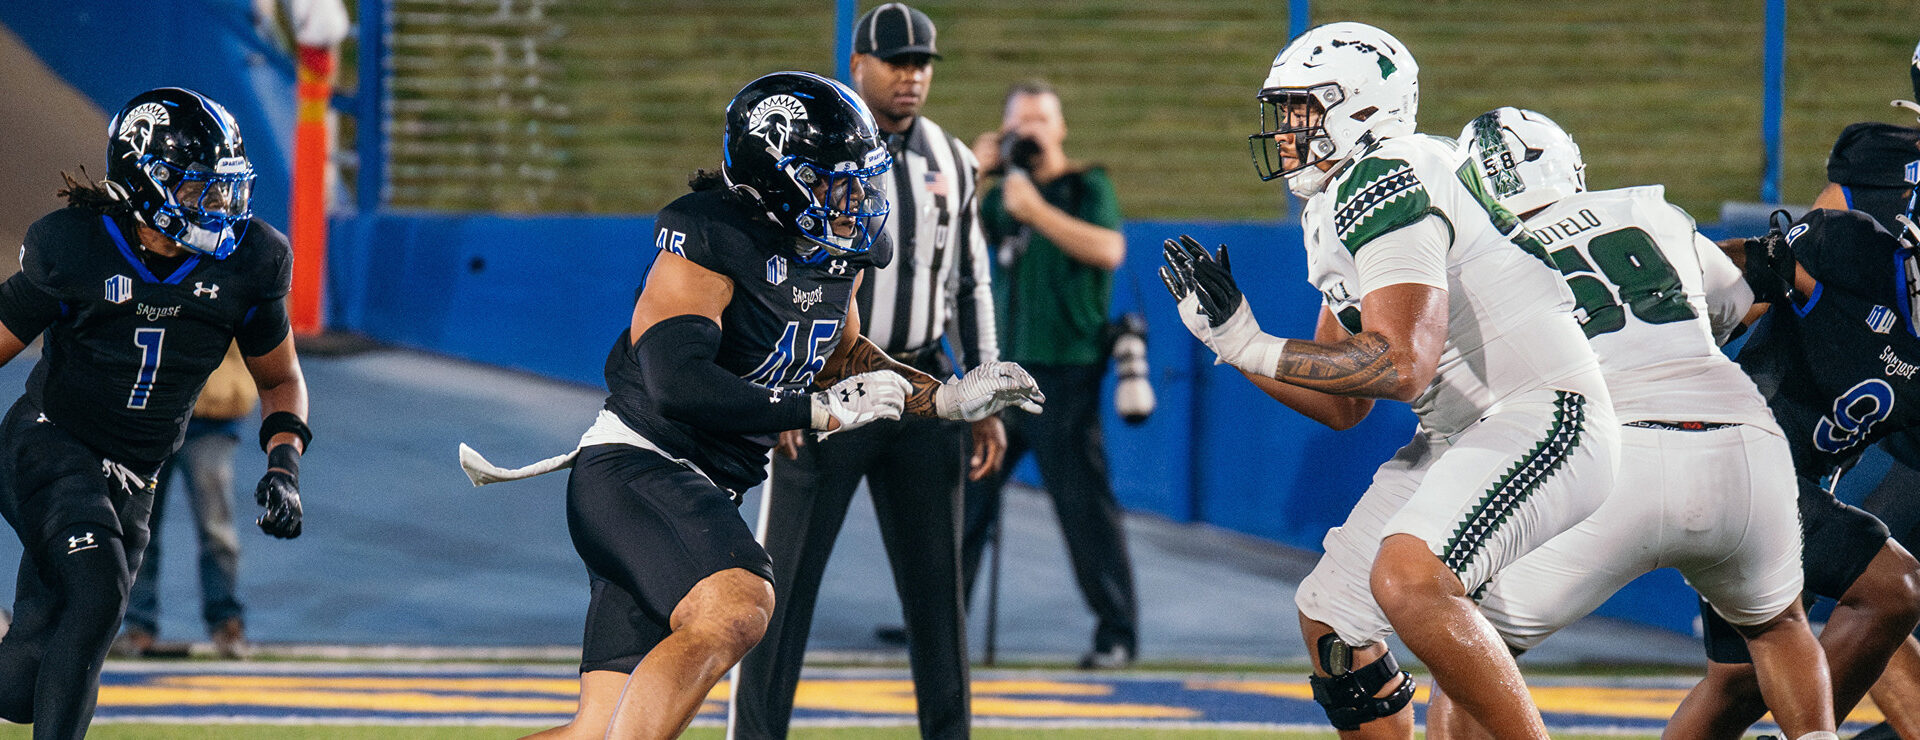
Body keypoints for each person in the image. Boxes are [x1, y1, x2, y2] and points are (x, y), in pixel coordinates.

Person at [456, 71, 1043, 739]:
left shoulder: (834, 253)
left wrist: (942, 399)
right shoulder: (706, 237)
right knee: (740, 603)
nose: (856, 198)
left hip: (691, 491)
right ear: (777, 175)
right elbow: (679, 383)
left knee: (594, 732)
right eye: (833, 179)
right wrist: (814, 413)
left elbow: (842, 356)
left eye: (860, 178)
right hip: (638, 471)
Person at [1162, 23, 1621, 737]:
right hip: (1462, 432)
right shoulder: (1335, 202)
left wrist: (1255, 344)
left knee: (1405, 580)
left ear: (1362, 110)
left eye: (1301, 111)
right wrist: (1231, 343)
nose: (1286, 132)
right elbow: (1342, 406)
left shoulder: (1393, 172)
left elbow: (1401, 366)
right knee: (1334, 618)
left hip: (1540, 413)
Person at [1418, 107, 1836, 740]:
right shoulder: (1650, 212)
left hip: (1611, 461)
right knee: (1779, 627)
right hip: (1741, 443)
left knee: (1471, 648)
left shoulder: (1477, 261)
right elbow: (1733, 303)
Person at [0, 87, 310, 740]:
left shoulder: (251, 260)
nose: (218, 206)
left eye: (224, 188)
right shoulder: (77, 246)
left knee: (22, 682)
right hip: (51, 443)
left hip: (137, 472)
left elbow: (280, 377)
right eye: (199, 188)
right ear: (144, 184)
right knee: (98, 597)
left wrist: (284, 463)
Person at [727, 5, 1000, 740]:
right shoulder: (812, 152)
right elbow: (773, 275)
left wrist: (983, 387)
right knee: (775, 594)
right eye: (896, 61)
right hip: (827, 389)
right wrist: (780, 391)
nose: (912, 75)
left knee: (938, 600)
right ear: (858, 65)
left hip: (920, 388)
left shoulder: (956, 160)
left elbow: (970, 281)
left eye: (922, 63)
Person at [1665, 45, 1920, 740]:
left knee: (1738, 684)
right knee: (1889, 591)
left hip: (1781, 481)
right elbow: (1709, 274)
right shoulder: (1848, 249)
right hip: (1729, 461)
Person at [959, 77, 1136, 670]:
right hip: (1003, 370)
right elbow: (954, 238)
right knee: (964, 498)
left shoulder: (1086, 184)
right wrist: (973, 173)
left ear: (1059, 128)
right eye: (1020, 122)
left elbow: (1109, 250)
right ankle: (936, 619)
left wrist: (1036, 210)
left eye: (1040, 120)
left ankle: (1116, 630)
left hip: (1067, 372)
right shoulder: (1000, 196)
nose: (1031, 131)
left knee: (1082, 506)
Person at [114, 344, 258, 660]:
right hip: (149, 418)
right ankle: (137, 627)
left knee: (216, 528)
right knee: (139, 527)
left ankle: (226, 624)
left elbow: (268, 327)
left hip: (211, 415)